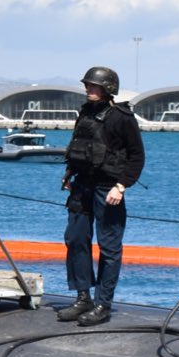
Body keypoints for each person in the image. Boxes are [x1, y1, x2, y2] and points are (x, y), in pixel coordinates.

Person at [57, 64, 144, 327]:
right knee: (75, 238)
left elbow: (136, 156)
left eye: (93, 86)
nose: (88, 89)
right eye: (87, 85)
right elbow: (79, 144)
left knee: (109, 248)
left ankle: (103, 304)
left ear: (108, 89)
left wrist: (121, 186)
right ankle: (83, 297)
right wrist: (69, 174)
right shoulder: (85, 112)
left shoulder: (122, 117)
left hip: (108, 188)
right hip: (82, 184)